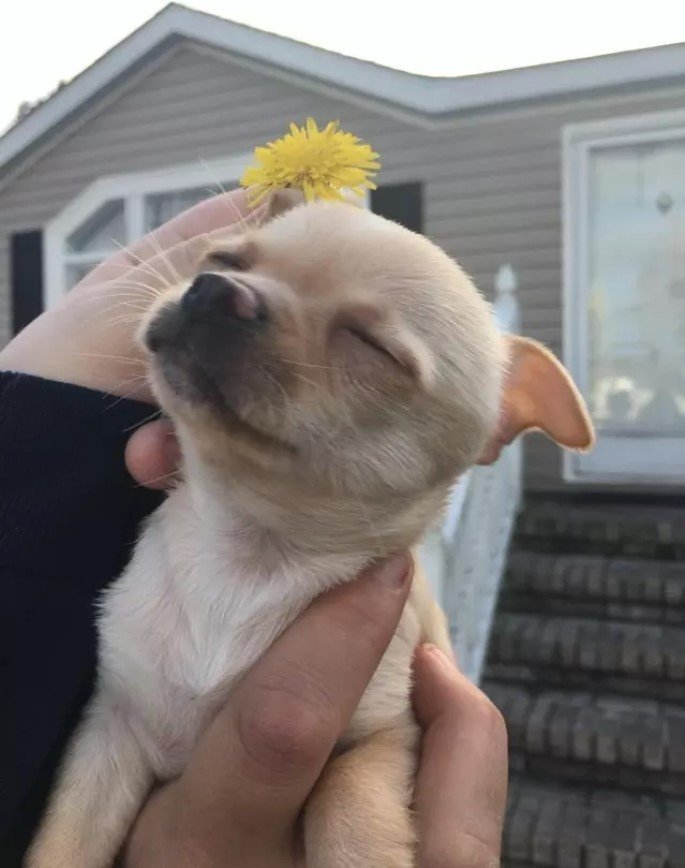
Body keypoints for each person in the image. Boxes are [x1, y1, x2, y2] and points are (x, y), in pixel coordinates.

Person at [0, 190, 507, 866]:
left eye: (364, 343)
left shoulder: (387, 622)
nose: (228, 296)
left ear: (490, 427)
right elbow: (117, 729)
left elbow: (378, 737)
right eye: (226, 264)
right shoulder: (110, 553)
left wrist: (355, 825)